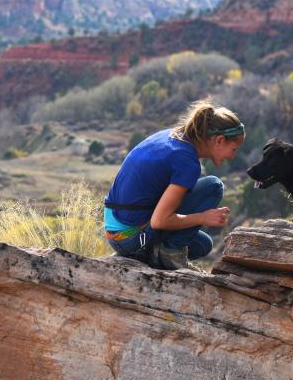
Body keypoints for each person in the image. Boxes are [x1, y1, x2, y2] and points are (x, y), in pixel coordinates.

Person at [104, 102, 244, 271]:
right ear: (219, 140)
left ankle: (154, 254)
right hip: (132, 238)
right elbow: (159, 221)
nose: (232, 156)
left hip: (116, 234)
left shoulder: (172, 136)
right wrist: (202, 217)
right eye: (234, 149)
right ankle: (167, 254)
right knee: (213, 186)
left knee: (202, 244)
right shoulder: (187, 162)